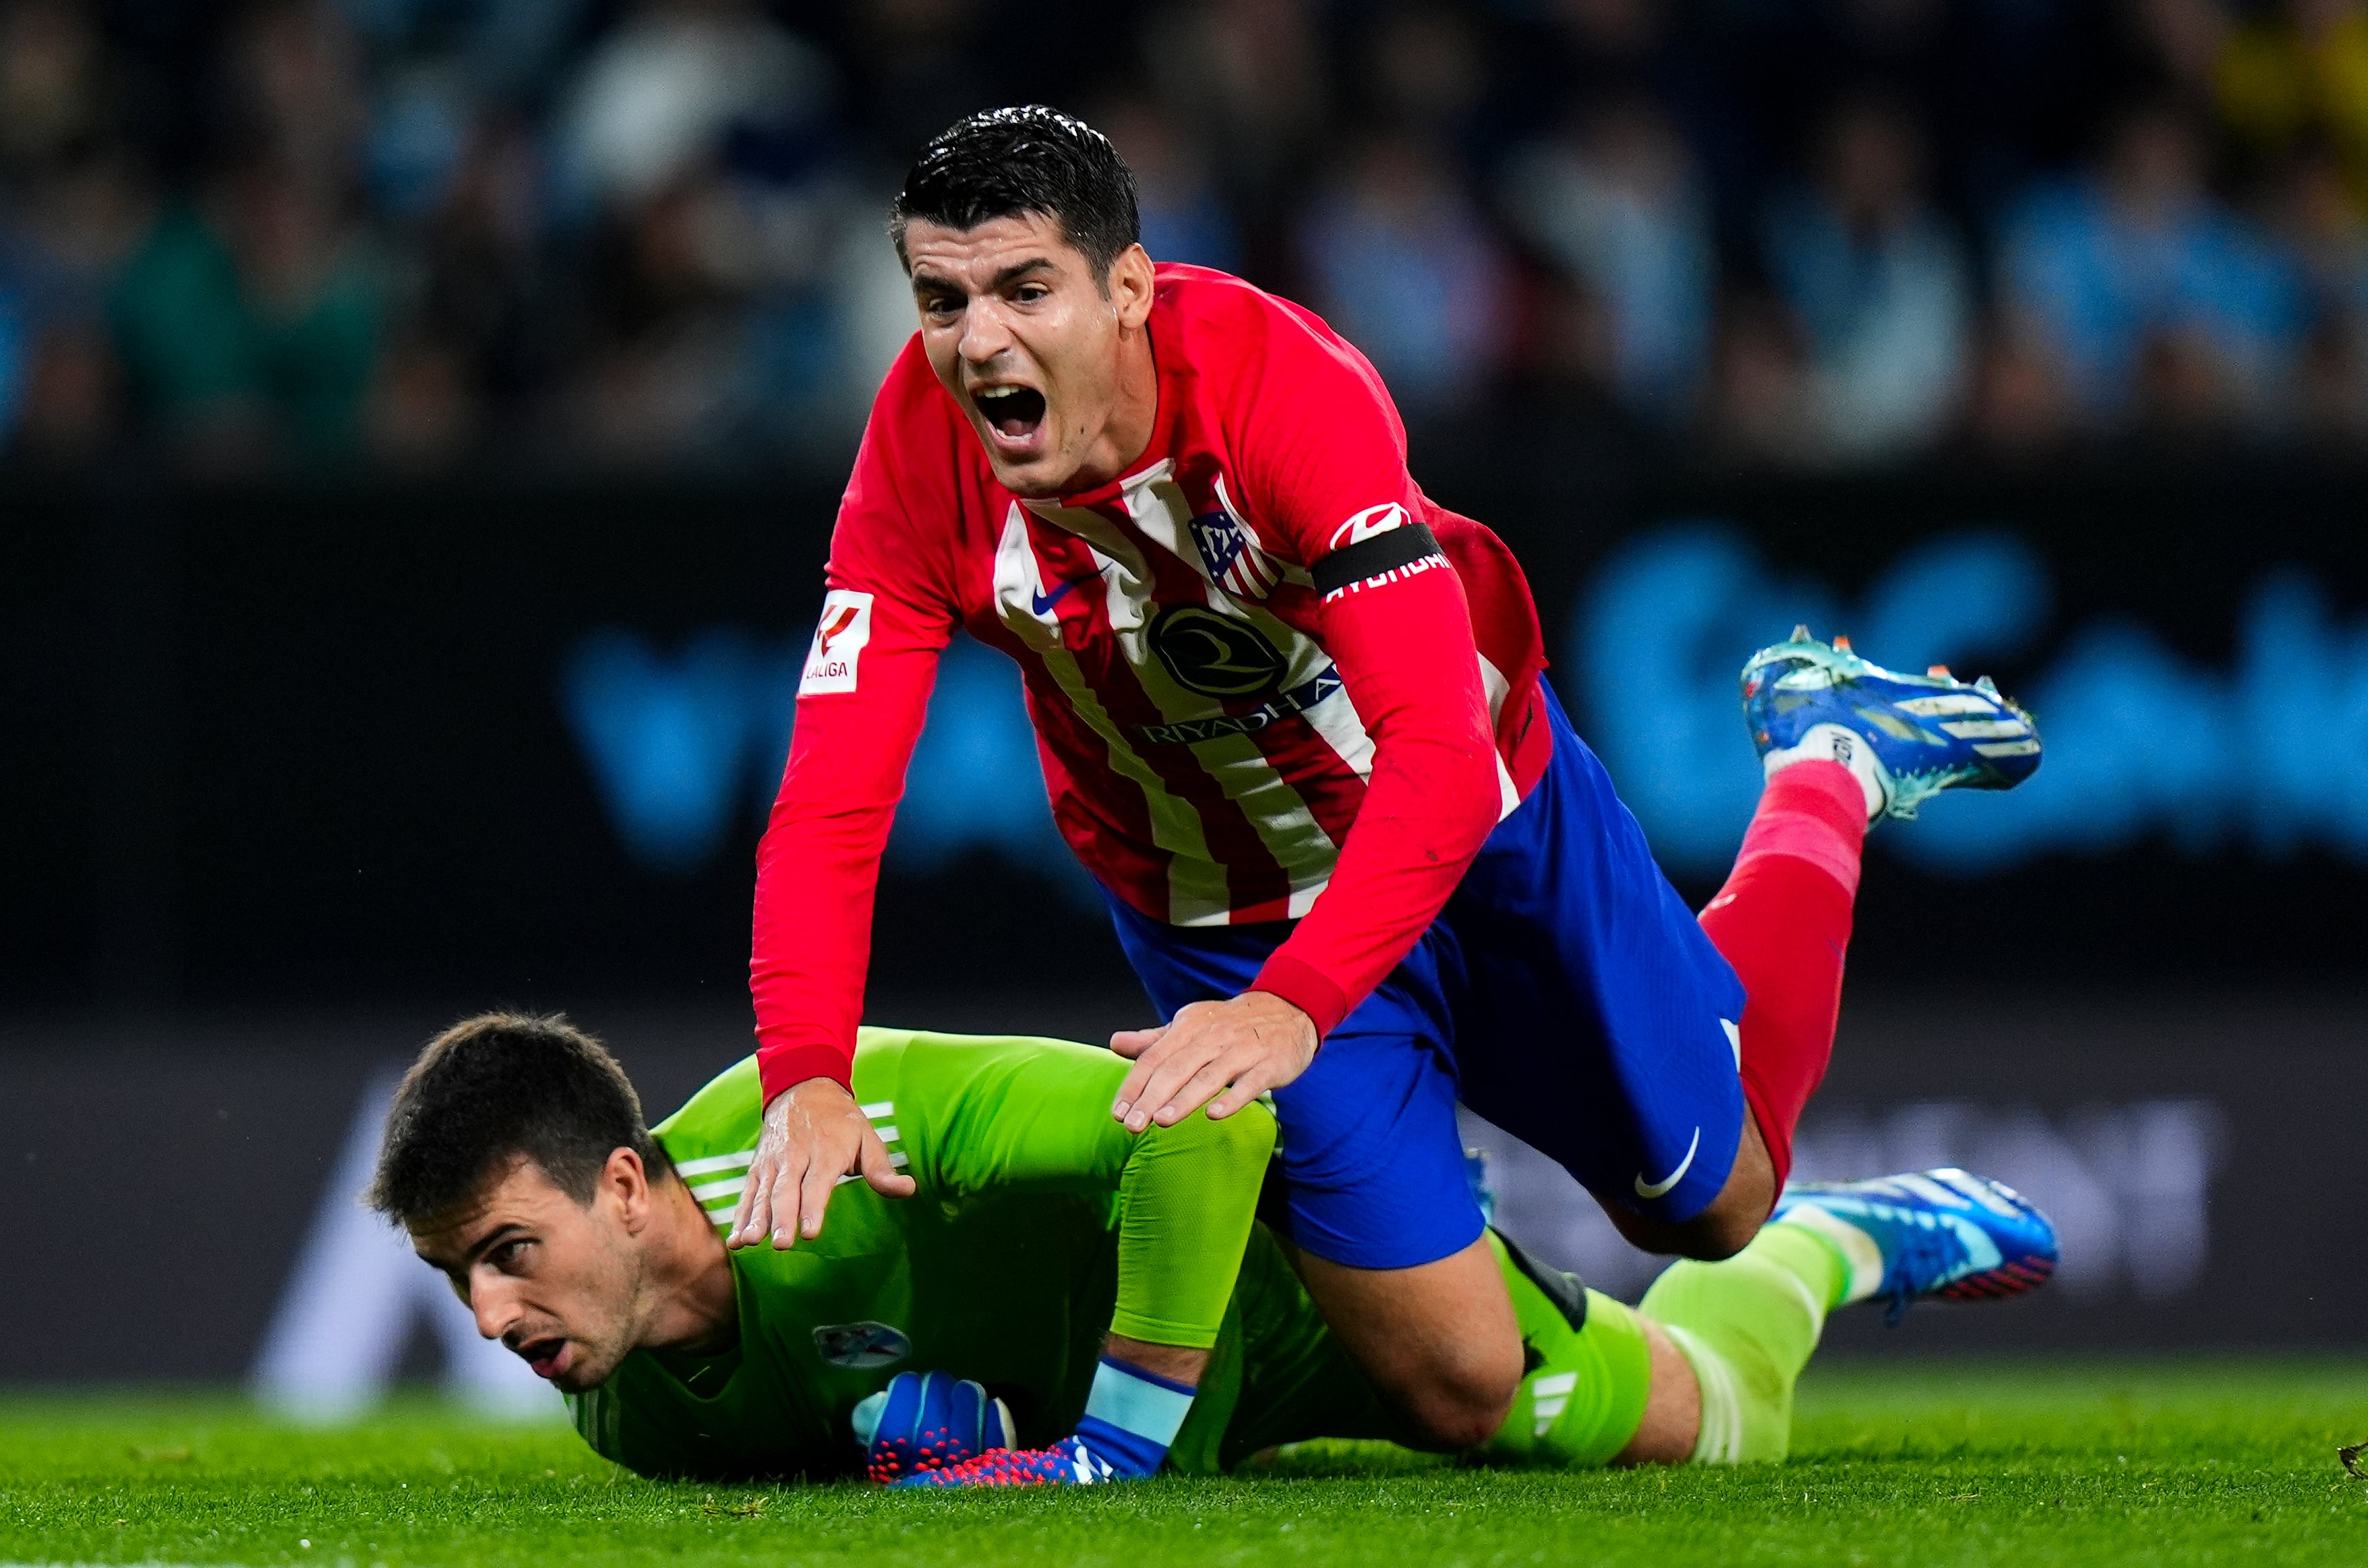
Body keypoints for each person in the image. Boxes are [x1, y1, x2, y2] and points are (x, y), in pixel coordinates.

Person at [737, 103, 2042, 1453]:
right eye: (940, 301)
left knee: (1709, 1206)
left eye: (1023, 290)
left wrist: (1294, 1011)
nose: (977, 341)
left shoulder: (1276, 388)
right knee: (1456, 1387)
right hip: (1225, 916)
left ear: (1125, 289)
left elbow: (1427, 750)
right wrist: (807, 1075)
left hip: (1473, 828)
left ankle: (1826, 758)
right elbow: (829, 805)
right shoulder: (912, 460)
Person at [373, 1014, 2057, 1486]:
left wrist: (1104, 1447)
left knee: (1699, 1416)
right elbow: (882, 1412)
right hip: (1200, 1392)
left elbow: (1204, 1119)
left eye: (509, 1248)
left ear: (628, 1179)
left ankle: (1833, 1244)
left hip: (1316, 1297)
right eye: (461, 1279)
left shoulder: (852, 1115)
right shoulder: (636, 1421)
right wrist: (945, 1431)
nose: (493, 1313)